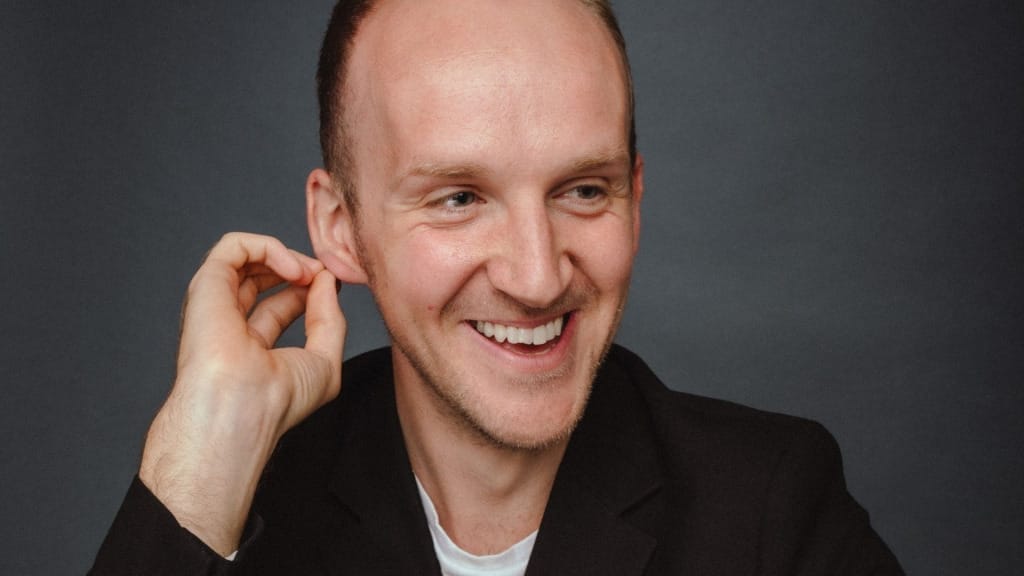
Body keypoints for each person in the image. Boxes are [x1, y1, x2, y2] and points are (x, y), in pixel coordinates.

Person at [90, 1, 904, 574]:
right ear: (341, 228)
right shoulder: (249, 501)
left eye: (584, 189)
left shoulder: (770, 507)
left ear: (636, 197)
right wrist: (198, 465)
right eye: (459, 199)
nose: (537, 274)